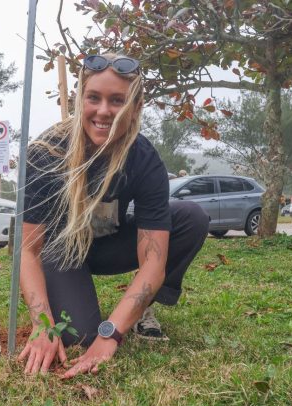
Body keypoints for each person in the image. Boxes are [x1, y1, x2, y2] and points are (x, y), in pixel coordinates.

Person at [18, 53, 209, 378]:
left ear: (135, 106)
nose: (104, 111)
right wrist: (42, 324)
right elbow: (28, 250)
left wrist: (112, 334)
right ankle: (72, 298)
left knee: (191, 217)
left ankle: (140, 312)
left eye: (117, 100)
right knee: (80, 338)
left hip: (108, 243)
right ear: (81, 99)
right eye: (94, 98)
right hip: (62, 252)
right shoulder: (46, 153)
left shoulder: (144, 159)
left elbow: (153, 261)